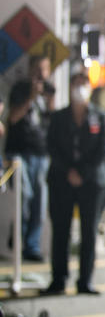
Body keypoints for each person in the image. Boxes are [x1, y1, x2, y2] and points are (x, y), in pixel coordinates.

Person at [42, 72, 105, 296]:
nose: (80, 89)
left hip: (92, 182)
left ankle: (85, 281)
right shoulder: (60, 117)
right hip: (62, 180)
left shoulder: (100, 116)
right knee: (61, 231)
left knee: (88, 232)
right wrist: (69, 171)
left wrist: (83, 172)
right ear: (69, 87)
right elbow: (51, 145)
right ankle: (58, 280)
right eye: (76, 84)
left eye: (84, 85)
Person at [4, 81, 44, 261]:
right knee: (24, 196)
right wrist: (31, 97)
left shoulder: (47, 92)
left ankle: (32, 246)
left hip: (40, 154)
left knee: (39, 202)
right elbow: (12, 117)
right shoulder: (21, 90)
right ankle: (18, 237)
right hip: (19, 153)